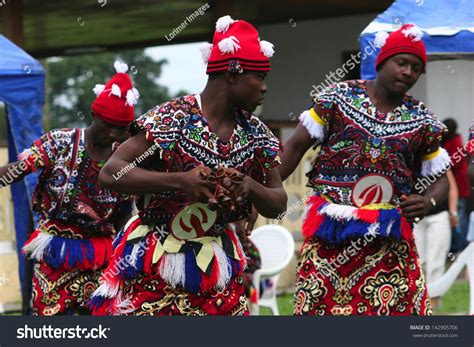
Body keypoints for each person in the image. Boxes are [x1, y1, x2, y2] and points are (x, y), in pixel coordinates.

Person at [88, 16, 287, 316]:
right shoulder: (173, 119)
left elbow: (279, 203)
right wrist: (180, 181)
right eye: (258, 77)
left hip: (218, 267)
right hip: (155, 262)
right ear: (232, 75)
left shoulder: (256, 134)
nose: (264, 88)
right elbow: (111, 172)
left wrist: (250, 186)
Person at [278, 24, 450, 316]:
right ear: (382, 61)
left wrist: (427, 201)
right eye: (402, 62)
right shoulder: (338, 98)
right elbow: (294, 148)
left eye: (416, 67)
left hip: (390, 244)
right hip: (330, 239)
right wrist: (262, 190)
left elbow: (442, 181)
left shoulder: (422, 119)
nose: (408, 72)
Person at [0, 61, 137, 315]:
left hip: (101, 256)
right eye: (109, 124)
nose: (114, 133)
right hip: (55, 250)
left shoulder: (124, 158)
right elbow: (19, 170)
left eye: (121, 128)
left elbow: (124, 212)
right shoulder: (60, 142)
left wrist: (128, 252)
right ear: (94, 115)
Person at [414, 169, 457, 309]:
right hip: (416, 218)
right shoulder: (410, 158)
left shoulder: (438, 159)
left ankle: (433, 305)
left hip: (439, 216)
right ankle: (418, 304)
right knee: (418, 261)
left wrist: (453, 212)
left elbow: (452, 187)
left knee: (436, 262)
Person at [443, 118, 470, 252]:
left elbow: (452, 163)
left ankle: (461, 247)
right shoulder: (450, 141)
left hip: (459, 187)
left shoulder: (455, 143)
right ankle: (455, 246)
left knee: (459, 217)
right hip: (454, 187)